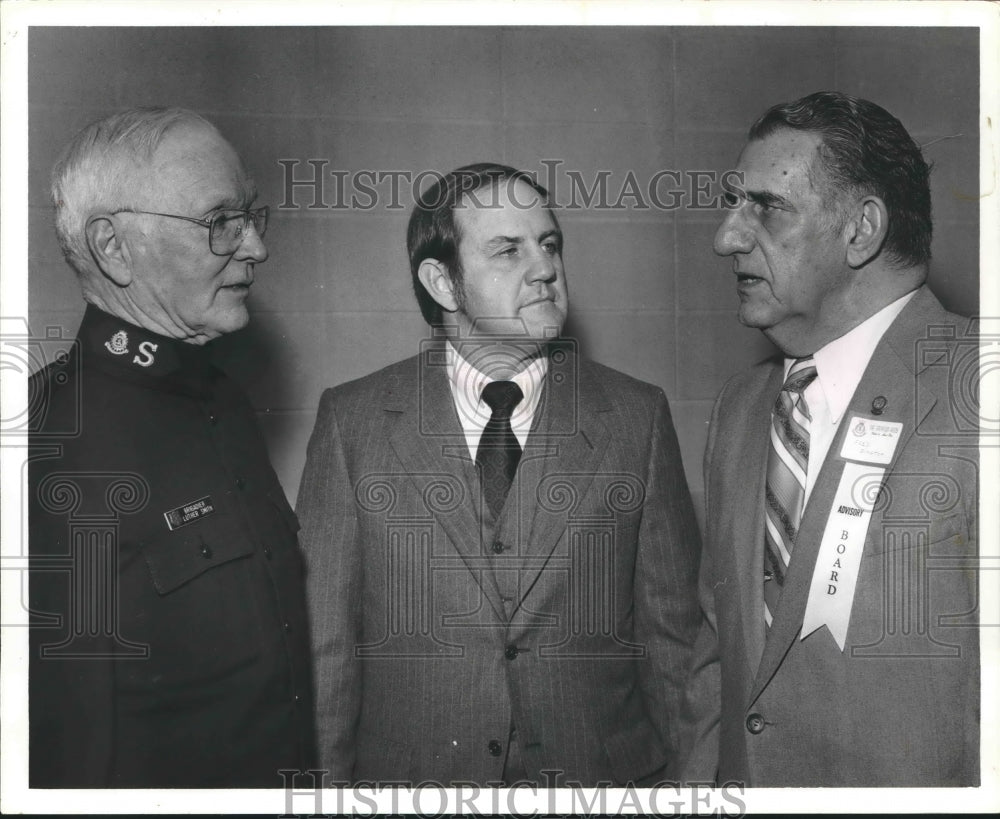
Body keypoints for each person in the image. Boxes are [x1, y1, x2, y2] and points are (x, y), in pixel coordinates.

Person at [297, 163, 701, 786]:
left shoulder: (635, 418)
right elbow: (325, 652)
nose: (544, 268)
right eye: (508, 250)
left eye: (549, 244)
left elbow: (673, 645)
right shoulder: (354, 424)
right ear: (443, 282)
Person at [681, 91, 979, 786]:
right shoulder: (741, 409)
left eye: (767, 206)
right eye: (733, 203)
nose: (726, 237)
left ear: (861, 228)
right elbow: (715, 658)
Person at [28, 107, 315, 787]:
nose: (255, 247)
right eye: (219, 221)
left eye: (249, 216)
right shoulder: (50, 442)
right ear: (114, 248)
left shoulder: (223, 399)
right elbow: (67, 752)